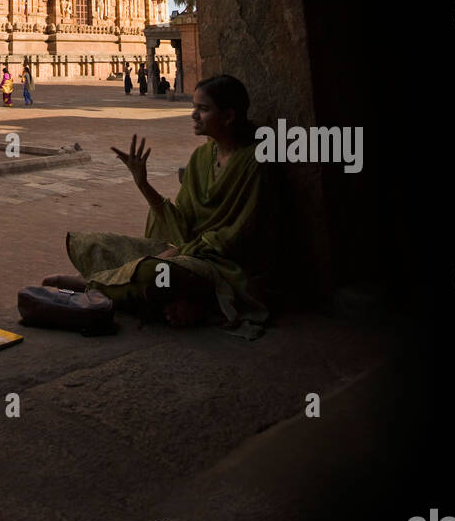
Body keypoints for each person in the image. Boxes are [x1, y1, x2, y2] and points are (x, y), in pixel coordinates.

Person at [43, 75, 279, 339]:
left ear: (228, 116)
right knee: (99, 244)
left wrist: (181, 253)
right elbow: (181, 221)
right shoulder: (202, 157)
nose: (194, 115)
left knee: (153, 271)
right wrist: (142, 183)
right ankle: (158, 295)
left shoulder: (255, 162)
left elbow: (242, 236)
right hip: (189, 250)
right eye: (194, 107)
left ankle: (94, 286)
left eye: (203, 109)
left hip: (225, 267)